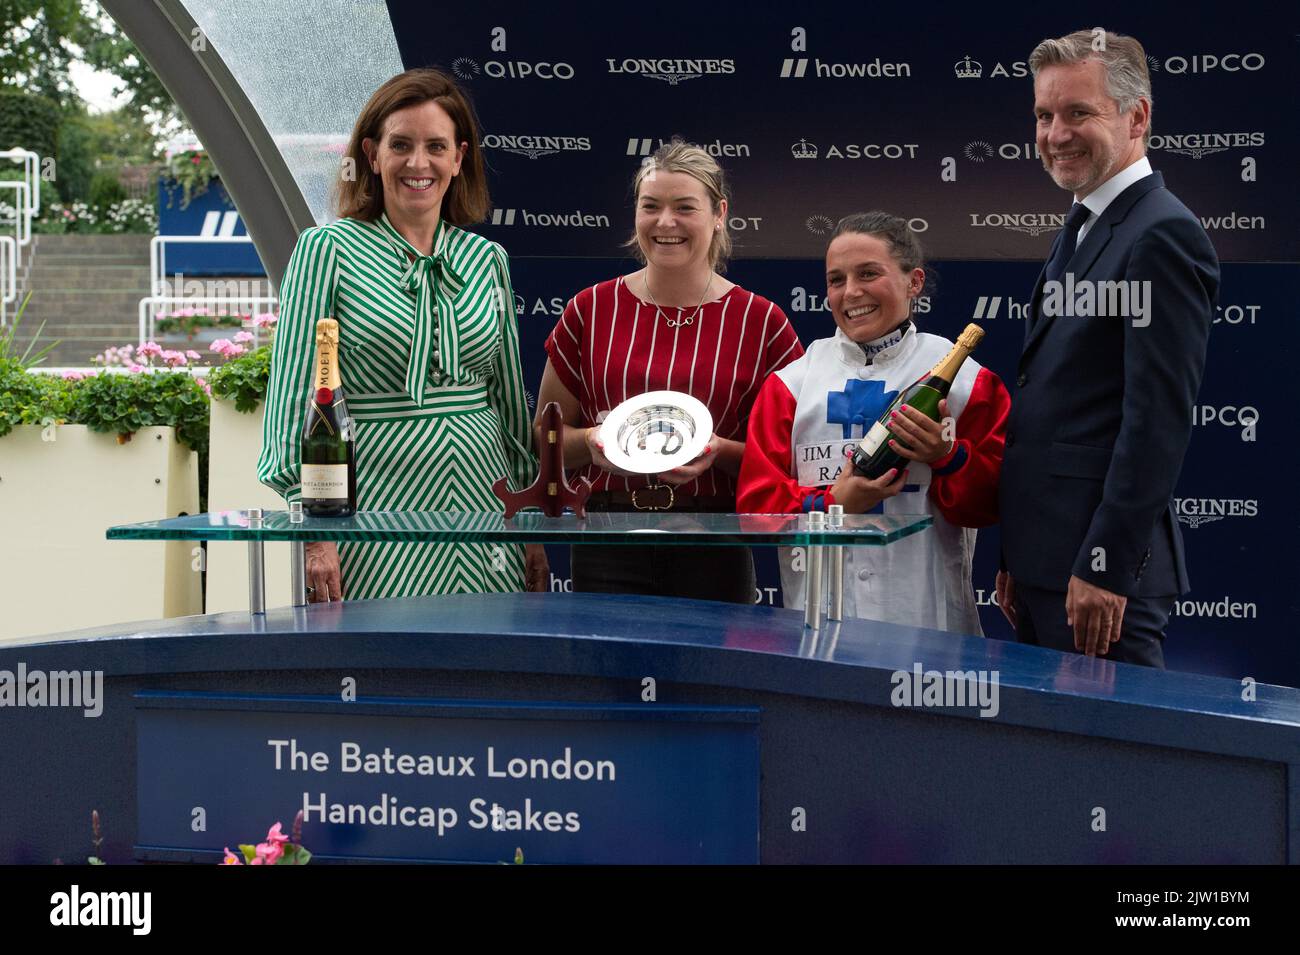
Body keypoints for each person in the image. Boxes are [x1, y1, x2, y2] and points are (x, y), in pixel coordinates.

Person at [258, 68, 547, 602]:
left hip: (483, 513)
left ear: (459, 158)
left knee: (486, 664)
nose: (419, 163)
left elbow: (509, 403)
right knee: (383, 666)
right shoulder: (327, 250)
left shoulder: (488, 261)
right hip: (373, 517)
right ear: (372, 155)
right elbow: (294, 401)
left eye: (436, 146)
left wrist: (527, 520)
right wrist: (316, 532)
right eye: (401, 145)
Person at [997, 29, 1220, 665]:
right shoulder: (1086, 224)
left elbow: (1156, 421)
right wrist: (1021, 555)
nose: (1055, 133)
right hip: (1048, 569)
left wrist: (1103, 565)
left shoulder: (1161, 233)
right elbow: (1059, 403)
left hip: (1097, 583)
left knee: (1108, 764)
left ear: (1137, 116)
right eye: (1044, 115)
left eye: (1078, 113)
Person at [537, 139, 803, 603]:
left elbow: (794, 455)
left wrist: (719, 450)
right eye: (651, 206)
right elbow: (545, 437)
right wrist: (597, 443)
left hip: (716, 536)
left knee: (711, 675)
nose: (665, 223)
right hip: (606, 536)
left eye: (685, 207)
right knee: (612, 675)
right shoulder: (590, 309)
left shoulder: (762, 321)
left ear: (718, 213)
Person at [737, 212, 1010, 634]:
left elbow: (993, 505)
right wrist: (828, 504)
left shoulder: (968, 382)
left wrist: (948, 457)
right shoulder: (790, 386)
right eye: (836, 279)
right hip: (817, 623)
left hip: (930, 626)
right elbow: (756, 512)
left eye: (868, 273)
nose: (851, 292)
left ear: (913, 282)